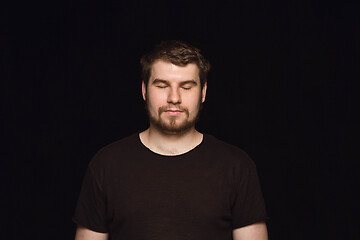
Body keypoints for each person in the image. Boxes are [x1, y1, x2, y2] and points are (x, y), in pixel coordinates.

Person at [73, 40, 268, 240]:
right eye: (162, 85)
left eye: (186, 87)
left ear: (203, 92)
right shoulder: (106, 165)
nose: (174, 98)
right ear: (144, 90)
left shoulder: (237, 166)